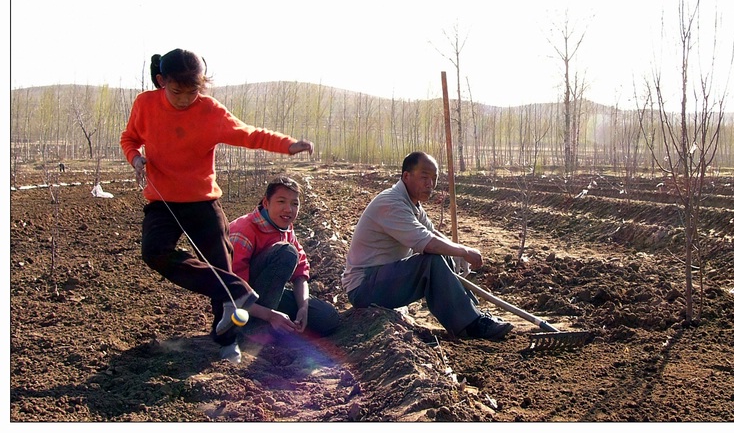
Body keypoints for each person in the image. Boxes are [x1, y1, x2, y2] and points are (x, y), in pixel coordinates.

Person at [120, 48, 314, 363]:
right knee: (154, 252)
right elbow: (129, 139)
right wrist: (136, 158)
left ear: (203, 86)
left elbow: (249, 134)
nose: (184, 99)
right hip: (162, 201)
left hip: (203, 203)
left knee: (221, 268)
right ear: (161, 81)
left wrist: (287, 145)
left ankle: (227, 342)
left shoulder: (209, 111)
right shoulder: (145, 105)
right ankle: (235, 289)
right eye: (176, 91)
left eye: (192, 91)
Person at [342, 151, 513, 340]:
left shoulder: (412, 204)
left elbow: (433, 234)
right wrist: (464, 251)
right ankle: (471, 326)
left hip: (382, 279)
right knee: (431, 262)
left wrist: (457, 252)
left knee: (444, 254)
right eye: (424, 177)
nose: (430, 184)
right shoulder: (391, 203)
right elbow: (426, 242)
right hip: (364, 287)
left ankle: (474, 315)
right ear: (406, 176)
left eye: (434, 178)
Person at [229, 175, 340, 351]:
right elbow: (232, 293)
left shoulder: (285, 228)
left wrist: (303, 308)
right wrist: (270, 315)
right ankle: (252, 330)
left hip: (268, 295)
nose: (288, 209)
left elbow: (300, 272)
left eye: (294, 204)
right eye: (281, 201)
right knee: (286, 252)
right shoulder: (242, 232)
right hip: (238, 307)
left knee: (327, 318)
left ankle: (270, 325)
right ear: (266, 203)